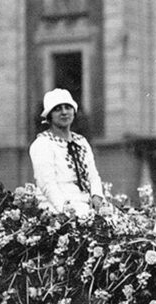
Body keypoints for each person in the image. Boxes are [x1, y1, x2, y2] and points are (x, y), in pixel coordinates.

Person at [29, 88, 105, 216]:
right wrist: (66, 209)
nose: (64, 112)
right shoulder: (43, 143)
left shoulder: (81, 141)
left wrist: (97, 196)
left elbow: (93, 175)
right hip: (56, 206)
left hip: (86, 202)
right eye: (58, 109)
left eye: (68, 108)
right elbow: (47, 185)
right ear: (49, 116)